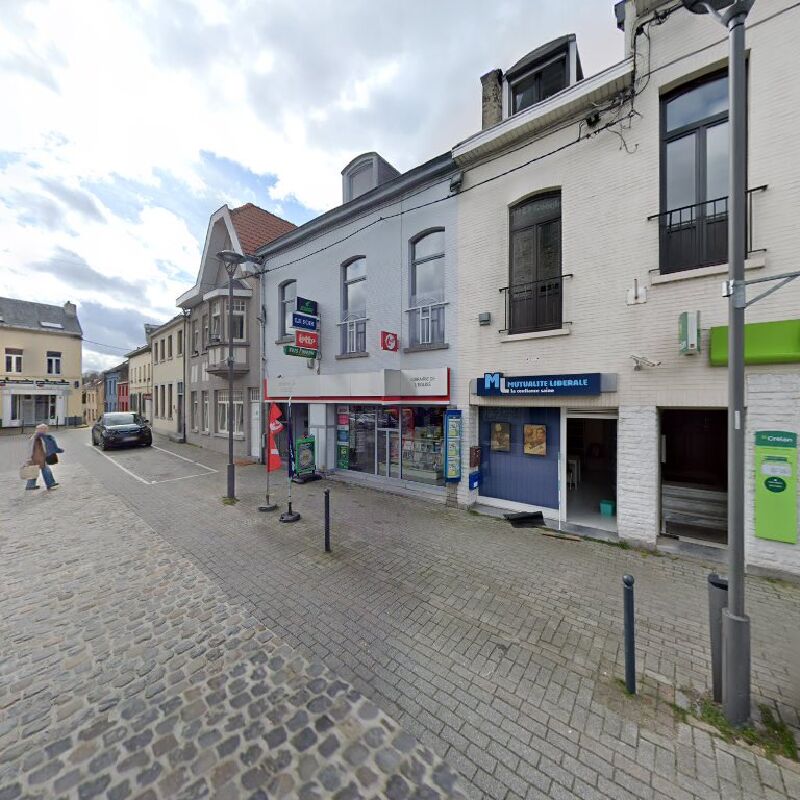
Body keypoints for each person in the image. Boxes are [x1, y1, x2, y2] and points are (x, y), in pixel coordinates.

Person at [25, 423, 63, 491]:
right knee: (42, 470)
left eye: (46, 429)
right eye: (44, 429)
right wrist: (29, 458)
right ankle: (49, 483)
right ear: (40, 429)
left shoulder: (38, 436)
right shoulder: (36, 437)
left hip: (39, 457)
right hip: (37, 457)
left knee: (38, 470)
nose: (46, 430)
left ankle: (31, 485)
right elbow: (31, 448)